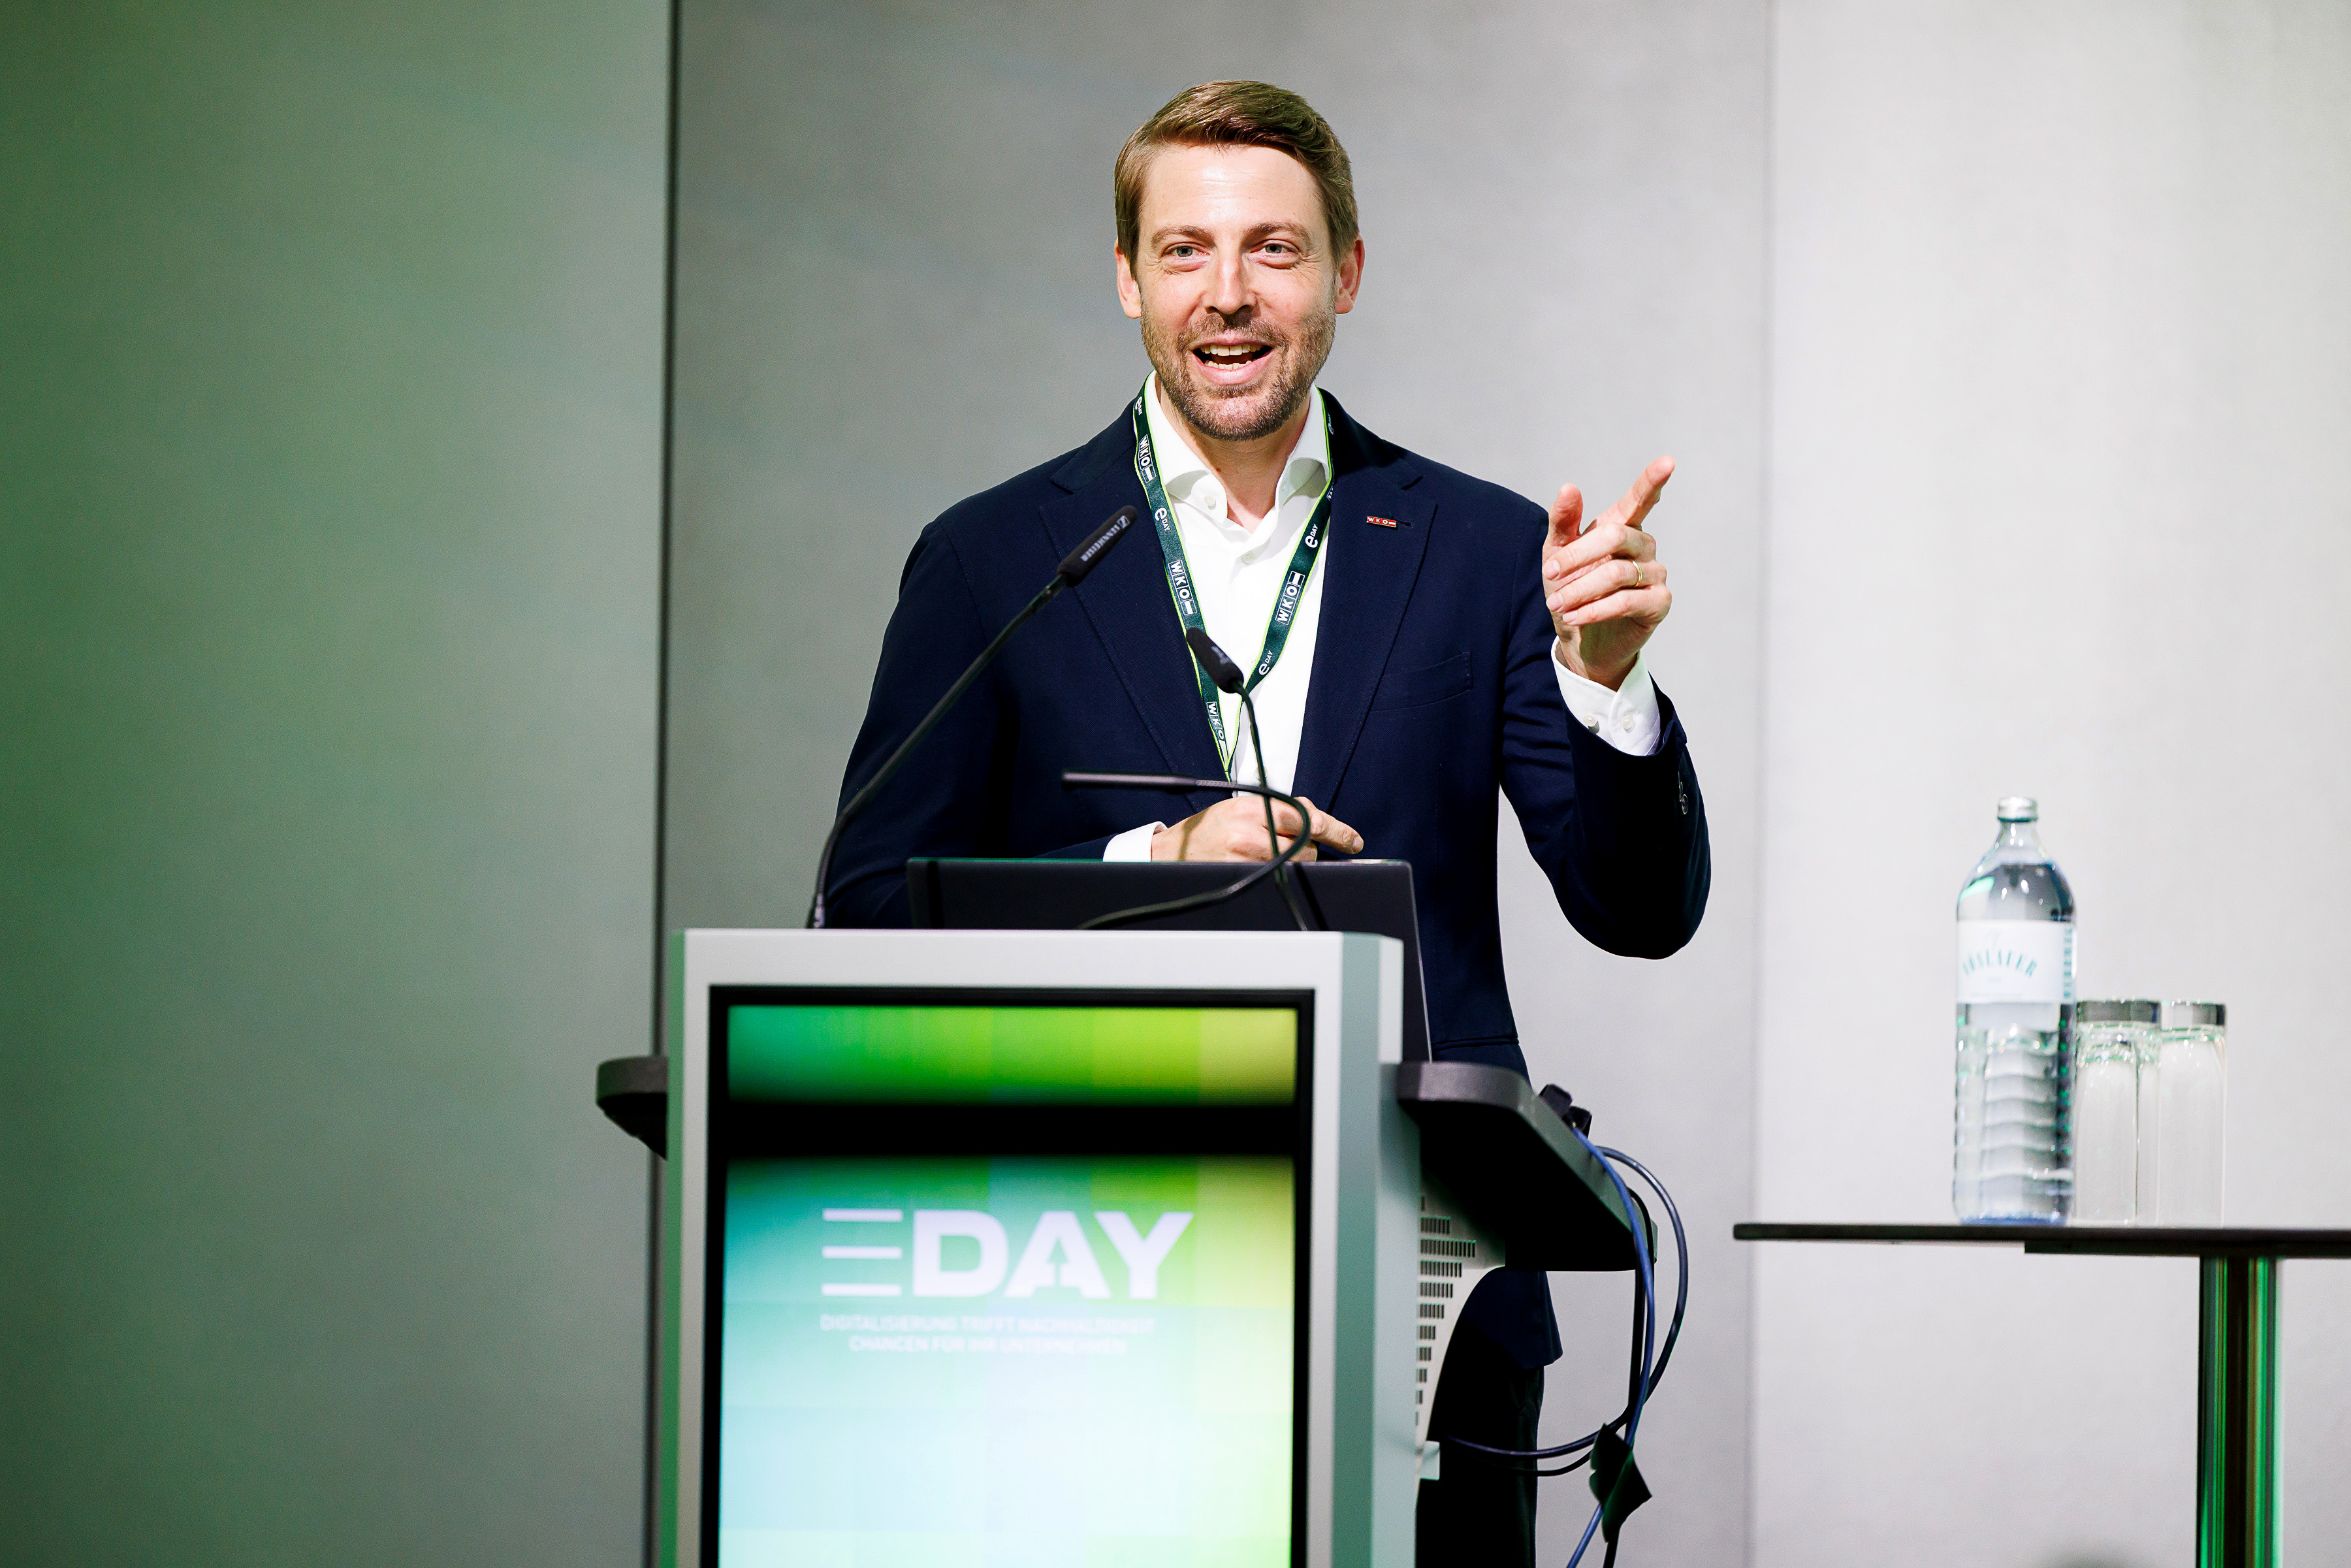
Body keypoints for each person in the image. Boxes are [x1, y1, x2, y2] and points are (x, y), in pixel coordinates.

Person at [825, 80, 1709, 1567]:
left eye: (1274, 250)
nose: (1227, 294)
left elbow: (1638, 909)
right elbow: (863, 915)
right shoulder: (993, 558)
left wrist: (1606, 685)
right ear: (1127, 277)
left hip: (1431, 1294)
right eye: (1184, 250)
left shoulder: (1485, 548)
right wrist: (1154, 865)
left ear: (1346, 273)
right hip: (1087, 1287)